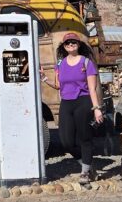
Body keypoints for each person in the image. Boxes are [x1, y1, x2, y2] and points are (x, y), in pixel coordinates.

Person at [45, 32, 104, 184]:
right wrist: (44, 79)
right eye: (67, 43)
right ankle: (89, 166)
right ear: (64, 46)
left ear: (79, 45)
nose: (71, 45)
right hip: (66, 103)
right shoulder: (60, 64)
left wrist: (96, 108)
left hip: (83, 102)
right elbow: (59, 85)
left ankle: (84, 172)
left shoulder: (86, 63)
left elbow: (92, 89)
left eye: (74, 42)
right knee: (66, 141)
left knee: (85, 138)